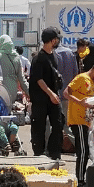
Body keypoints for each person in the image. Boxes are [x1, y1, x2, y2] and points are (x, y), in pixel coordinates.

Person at [64, 56, 94, 185]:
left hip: (87, 121)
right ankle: (80, 180)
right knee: (83, 151)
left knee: (87, 150)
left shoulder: (92, 83)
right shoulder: (82, 78)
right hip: (78, 120)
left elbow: (90, 100)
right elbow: (66, 93)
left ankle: (82, 178)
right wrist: (79, 102)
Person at [29, 27, 65, 160]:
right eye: (56, 39)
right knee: (39, 127)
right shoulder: (39, 58)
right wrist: (50, 94)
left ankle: (54, 154)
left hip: (54, 97)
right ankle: (38, 154)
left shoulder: (54, 56)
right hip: (41, 99)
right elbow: (39, 79)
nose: (58, 42)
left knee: (58, 124)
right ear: (52, 40)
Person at [0, 35, 29, 106]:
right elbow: (21, 79)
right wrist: (28, 92)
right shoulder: (16, 57)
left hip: (1, 90)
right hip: (13, 91)